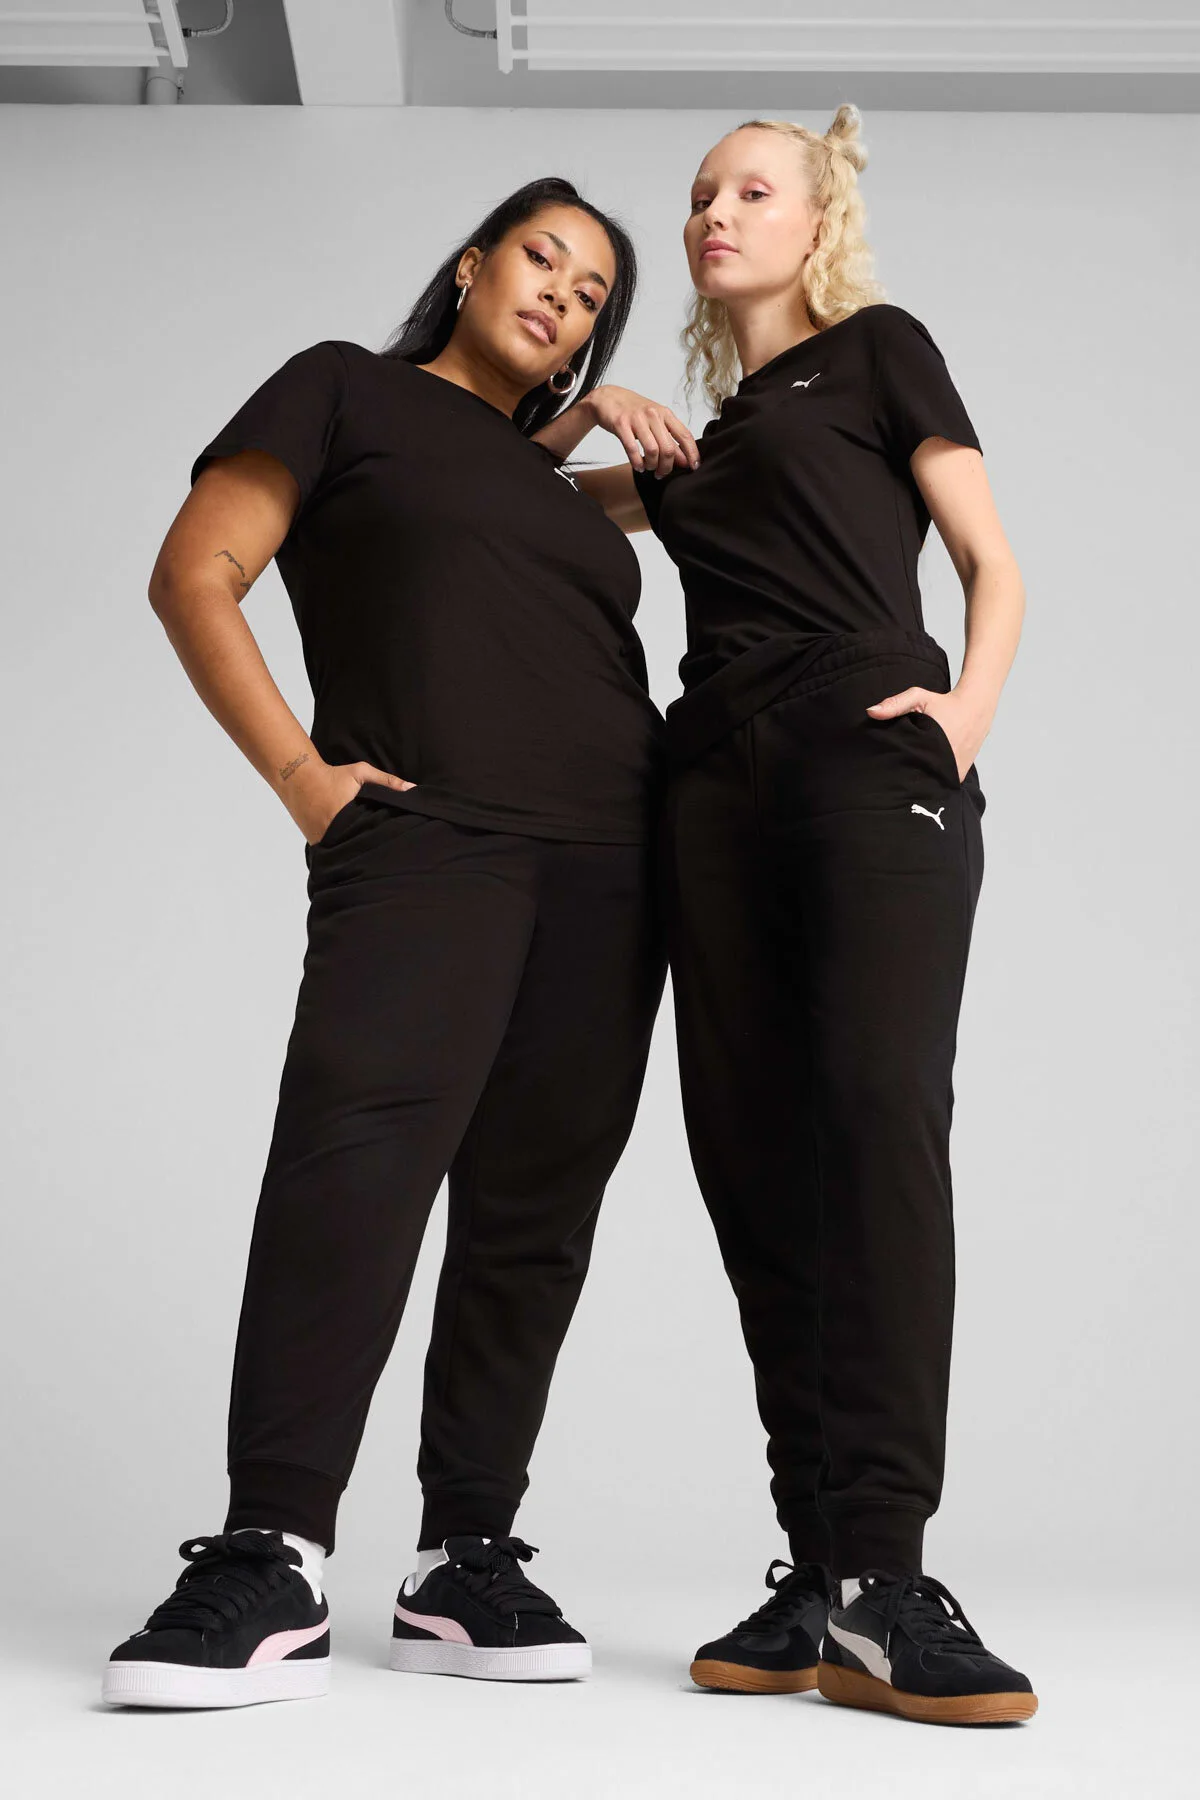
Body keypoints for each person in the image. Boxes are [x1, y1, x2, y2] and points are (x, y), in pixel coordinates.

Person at [101, 176, 695, 1708]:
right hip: (429, 837)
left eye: (592, 295)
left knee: (535, 1210)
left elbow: (549, 500)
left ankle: (462, 1560)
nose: (562, 295)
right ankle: (270, 1549)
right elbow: (193, 573)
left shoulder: (545, 482)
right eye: (543, 258)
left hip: (613, 861)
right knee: (353, 1167)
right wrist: (305, 779)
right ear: (473, 263)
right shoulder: (342, 391)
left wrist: (589, 430)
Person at [538, 106, 1036, 1726]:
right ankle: (820, 1572)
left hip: (862, 748)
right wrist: (580, 410)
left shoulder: (880, 352)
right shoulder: (695, 447)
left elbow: (991, 560)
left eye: (753, 189)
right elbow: (499, 491)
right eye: (701, 192)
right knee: (752, 1162)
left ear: (816, 223)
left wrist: (962, 719)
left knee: (877, 1119)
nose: (716, 212)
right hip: (709, 788)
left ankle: (891, 1571)